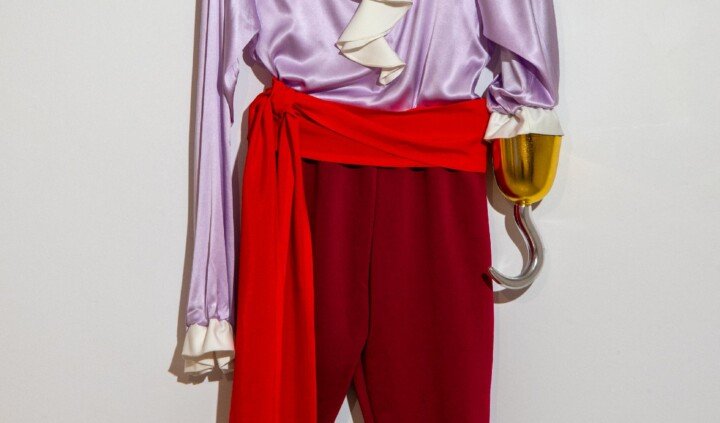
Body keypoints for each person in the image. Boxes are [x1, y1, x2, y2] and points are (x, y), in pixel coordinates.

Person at [182, 1, 563, 421]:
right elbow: (213, 88)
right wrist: (212, 299)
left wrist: (527, 116)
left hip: (434, 174)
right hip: (305, 167)